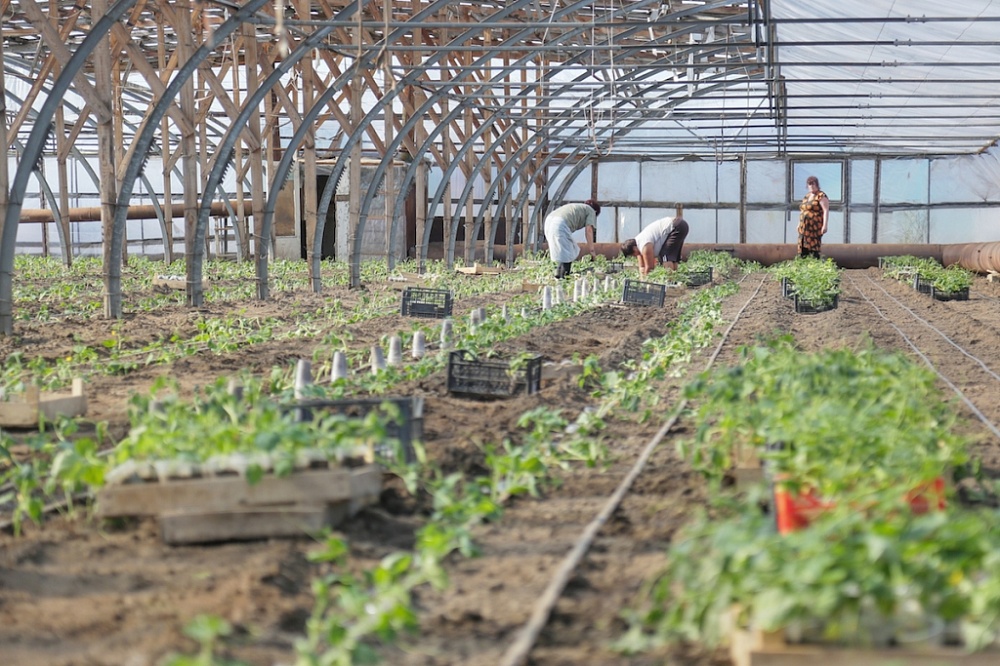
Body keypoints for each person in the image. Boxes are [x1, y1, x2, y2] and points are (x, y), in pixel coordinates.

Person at [544, 200, 601, 278]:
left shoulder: (577, 206)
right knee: (568, 252)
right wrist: (592, 251)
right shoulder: (591, 211)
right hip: (559, 223)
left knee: (564, 250)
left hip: (549, 221)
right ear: (595, 211)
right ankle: (563, 277)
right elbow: (589, 230)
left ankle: (559, 273)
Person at [620, 215, 689, 276]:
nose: (634, 256)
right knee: (673, 258)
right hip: (680, 224)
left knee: (665, 256)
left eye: (633, 255)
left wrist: (645, 282)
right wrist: (642, 276)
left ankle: (669, 283)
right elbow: (642, 266)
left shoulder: (644, 245)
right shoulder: (638, 242)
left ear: (634, 249)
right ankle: (674, 281)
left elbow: (650, 267)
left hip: (675, 226)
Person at [798, 176, 829, 259]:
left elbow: (825, 210)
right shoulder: (807, 196)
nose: (811, 186)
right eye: (809, 184)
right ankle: (803, 261)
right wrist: (799, 224)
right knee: (803, 244)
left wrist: (824, 225)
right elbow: (803, 211)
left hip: (814, 226)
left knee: (813, 245)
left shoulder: (821, 196)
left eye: (813, 184)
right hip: (804, 227)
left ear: (817, 185)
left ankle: (815, 261)